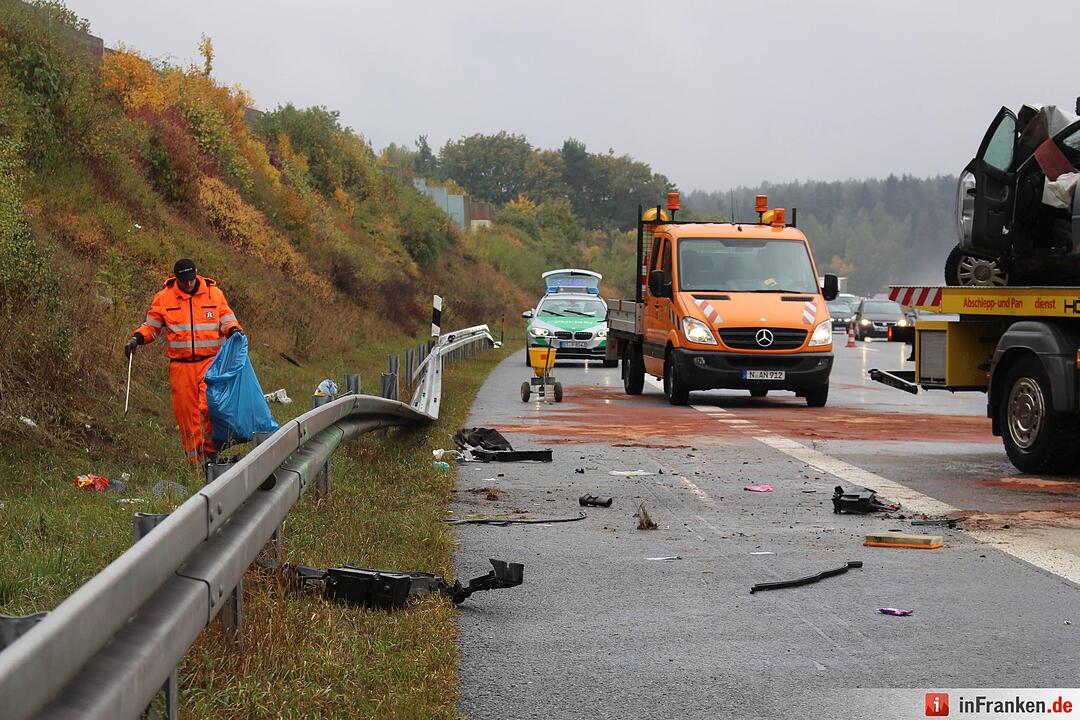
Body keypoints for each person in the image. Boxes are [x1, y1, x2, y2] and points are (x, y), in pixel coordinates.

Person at [125, 259, 242, 465]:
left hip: (210, 363)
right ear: (176, 278)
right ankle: (196, 464)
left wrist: (233, 330)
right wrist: (137, 338)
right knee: (187, 417)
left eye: (191, 279)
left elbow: (226, 317)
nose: (188, 284)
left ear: (196, 274)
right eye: (184, 280)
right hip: (181, 367)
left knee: (211, 408)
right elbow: (151, 326)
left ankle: (212, 452)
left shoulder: (213, 293)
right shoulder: (164, 298)